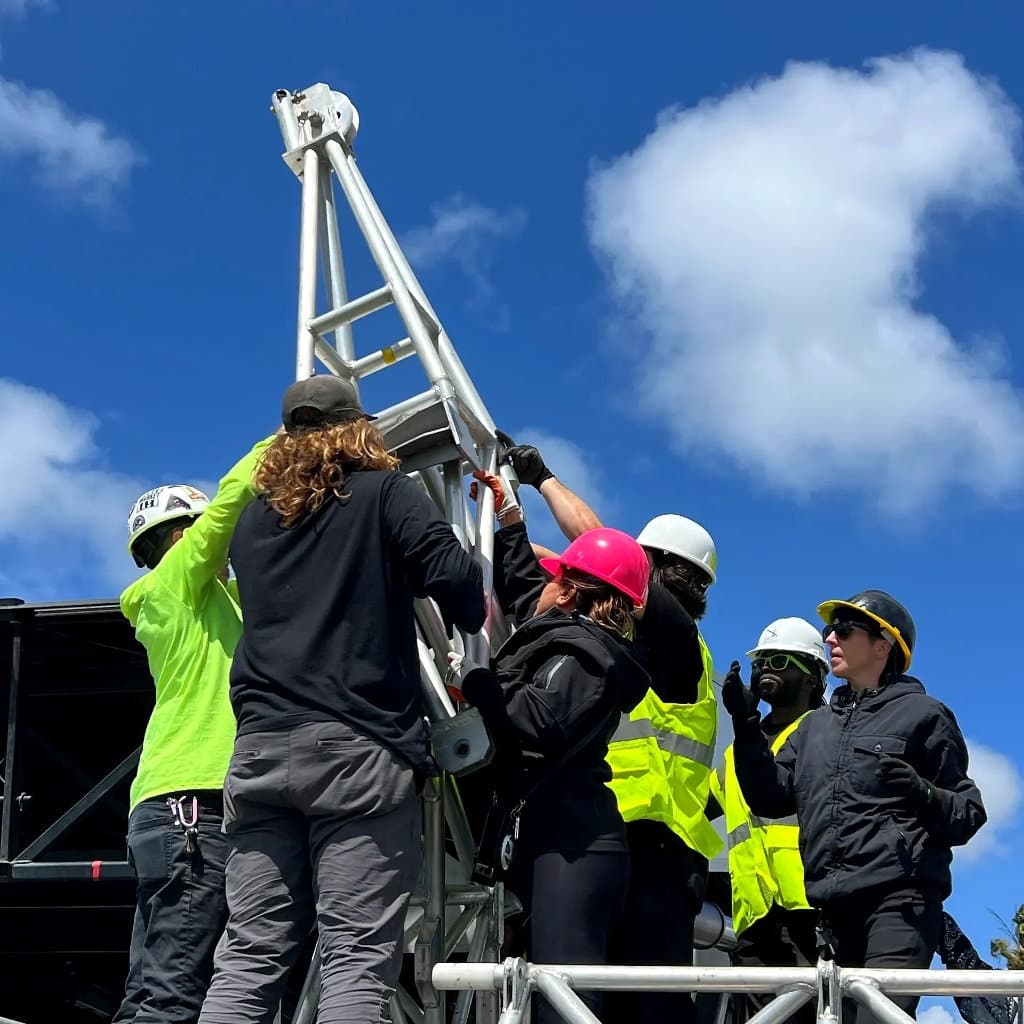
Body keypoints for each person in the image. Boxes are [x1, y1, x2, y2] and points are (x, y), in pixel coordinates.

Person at [197, 375, 486, 1024]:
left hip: (261, 752)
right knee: (355, 958)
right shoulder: (385, 493)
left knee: (248, 957)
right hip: (357, 751)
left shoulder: (251, 523)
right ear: (359, 428)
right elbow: (458, 585)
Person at [495, 433, 720, 1024]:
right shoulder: (621, 632)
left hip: (653, 848)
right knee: (599, 997)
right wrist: (509, 518)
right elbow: (559, 566)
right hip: (610, 837)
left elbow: (595, 544)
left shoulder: (672, 643)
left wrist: (542, 476)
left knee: (646, 1006)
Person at [723, 590, 987, 1023]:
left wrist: (925, 793)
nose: (830, 639)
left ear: (884, 646)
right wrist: (746, 727)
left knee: (876, 1017)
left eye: (844, 629)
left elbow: (969, 812)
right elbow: (769, 797)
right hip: (831, 913)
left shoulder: (925, 716)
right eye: (830, 630)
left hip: (899, 903)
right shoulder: (815, 729)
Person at [451, 470, 650, 1024]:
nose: (538, 582)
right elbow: (522, 593)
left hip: (574, 845)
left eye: (554, 576)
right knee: (532, 992)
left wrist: (476, 682)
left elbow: (535, 721)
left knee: (565, 997)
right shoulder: (564, 638)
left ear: (567, 590)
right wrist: (510, 520)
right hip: (551, 836)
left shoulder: (586, 653)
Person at [115, 432, 275, 1024]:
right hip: (192, 803)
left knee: (156, 984)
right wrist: (285, 440)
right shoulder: (170, 587)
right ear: (178, 538)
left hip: (183, 803)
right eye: (203, 531)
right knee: (175, 987)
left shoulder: (216, 602)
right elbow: (233, 501)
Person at [707, 617, 828, 1024]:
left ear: (814, 677)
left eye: (780, 661)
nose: (765, 671)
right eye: (761, 662)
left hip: (812, 913)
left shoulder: (827, 736)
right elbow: (699, 806)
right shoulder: (736, 753)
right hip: (754, 918)